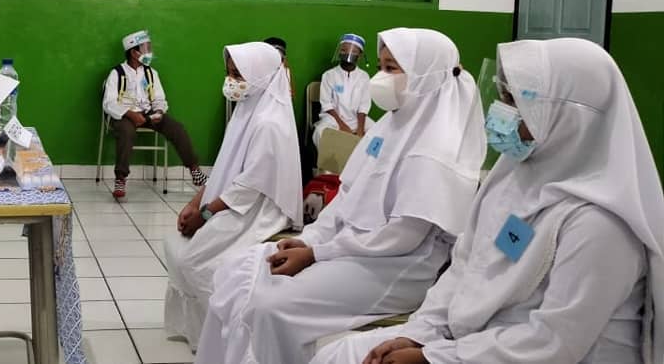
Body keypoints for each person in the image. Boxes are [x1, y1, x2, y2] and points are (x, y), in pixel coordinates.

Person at [312, 38, 664, 364]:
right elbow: (465, 267)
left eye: (516, 101)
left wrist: (435, 358)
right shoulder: (512, 177)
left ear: (568, 116)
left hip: (527, 356)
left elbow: (554, 343)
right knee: (339, 355)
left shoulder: (601, 225)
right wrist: (419, 333)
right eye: (503, 95)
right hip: (473, 342)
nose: (500, 111)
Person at [194, 28, 486, 364]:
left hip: (394, 267)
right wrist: (310, 239)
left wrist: (318, 253)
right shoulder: (388, 128)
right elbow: (347, 196)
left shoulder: (436, 150)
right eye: (381, 66)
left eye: (391, 69)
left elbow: (401, 238)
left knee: (269, 306)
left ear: (425, 77)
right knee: (236, 272)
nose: (380, 77)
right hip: (349, 247)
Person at [164, 42, 303, 350]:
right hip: (233, 199)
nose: (231, 82)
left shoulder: (269, 123)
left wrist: (206, 214)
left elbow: (249, 187)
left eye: (238, 75)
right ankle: (197, 332)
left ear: (260, 76)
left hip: (258, 209)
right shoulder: (247, 110)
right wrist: (195, 202)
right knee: (179, 247)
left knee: (195, 261)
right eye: (229, 73)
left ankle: (224, 335)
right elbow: (226, 169)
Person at [102, 30, 205, 198]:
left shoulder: (151, 73)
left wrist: (158, 111)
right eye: (145, 48)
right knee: (126, 132)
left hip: (148, 113)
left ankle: (195, 171)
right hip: (124, 114)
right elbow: (109, 102)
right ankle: (120, 178)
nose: (149, 52)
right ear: (134, 53)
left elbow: (159, 98)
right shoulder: (117, 73)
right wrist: (131, 114)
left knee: (177, 128)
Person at [313, 33, 373, 148]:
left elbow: (364, 106)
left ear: (360, 55)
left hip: (356, 119)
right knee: (320, 133)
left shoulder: (364, 77)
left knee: (377, 134)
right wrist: (342, 126)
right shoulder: (329, 75)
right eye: (344, 50)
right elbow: (326, 104)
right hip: (333, 119)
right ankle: (329, 159)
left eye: (353, 51)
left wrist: (360, 130)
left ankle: (363, 160)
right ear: (339, 51)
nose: (348, 54)